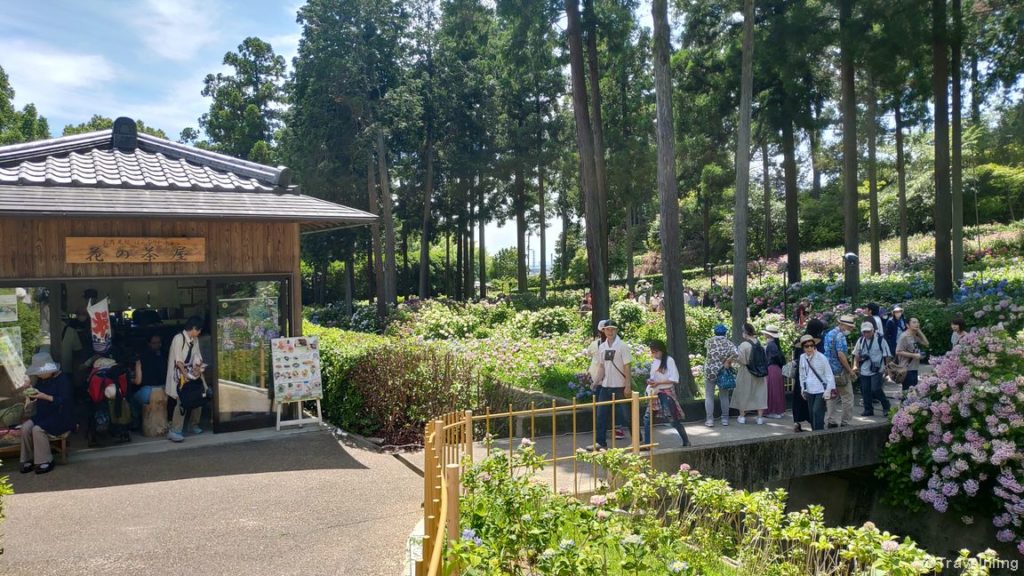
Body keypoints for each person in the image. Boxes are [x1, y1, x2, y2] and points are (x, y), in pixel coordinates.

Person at [19, 352, 73, 474]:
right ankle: (27, 459)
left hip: (61, 416)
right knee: (25, 427)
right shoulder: (41, 380)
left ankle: (45, 460)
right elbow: (37, 395)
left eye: (40, 371)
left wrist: (45, 396)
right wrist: (31, 394)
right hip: (43, 414)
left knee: (37, 429)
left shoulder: (62, 379)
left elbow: (65, 402)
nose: (38, 374)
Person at [590, 321, 632, 450]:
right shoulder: (602, 347)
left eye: (613, 329)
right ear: (603, 331)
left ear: (616, 330)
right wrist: (596, 381)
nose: (610, 332)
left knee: (626, 415)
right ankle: (601, 442)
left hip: (620, 385)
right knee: (600, 414)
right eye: (607, 329)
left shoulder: (622, 346)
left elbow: (627, 366)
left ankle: (638, 440)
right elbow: (602, 366)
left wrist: (627, 385)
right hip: (606, 385)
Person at [165, 316, 207, 442]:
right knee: (181, 401)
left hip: (191, 372)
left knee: (200, 395)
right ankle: (175, 430)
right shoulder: (178, 338)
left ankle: (193, 424)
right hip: (179, 375)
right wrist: (185, 375)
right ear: (193, 328)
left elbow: (197, 356)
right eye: (198, 330)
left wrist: (197, 368)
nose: (199, 333)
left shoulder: (195, 339)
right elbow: (178, 361)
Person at [640, 340, 689, 447]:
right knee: (647, 418)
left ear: (661, 351)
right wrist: (651, 381)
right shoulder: (655, 361)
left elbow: (674, 379)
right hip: (655, 391)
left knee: (672, 418)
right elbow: (654, 376)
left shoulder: (669, 360)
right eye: (652, 352)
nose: (654, 354)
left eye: (656, 352)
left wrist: (658, 382)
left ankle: (686, 440)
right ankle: (647, 443)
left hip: (666, 392)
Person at [823, 315, 858, 428]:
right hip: (840, 372)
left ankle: (831, 420)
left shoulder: (829, 334)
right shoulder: (840, 336)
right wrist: (850, 370)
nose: (850, 329)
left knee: (832, 396)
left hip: (828, 371)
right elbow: (841, 355)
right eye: (849, 327)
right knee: (847, 397)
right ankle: (845, 421)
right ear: (842, 325)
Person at [853, 321, 891, 417]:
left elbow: (887, 355)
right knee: (865, 390)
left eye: (868, 332)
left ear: (873, 330)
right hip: (864, 369)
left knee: (876, 389)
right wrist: (856, 366)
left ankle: (886, 406)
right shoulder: (861, 340)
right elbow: (856, 354)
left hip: (877, 369)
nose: (866, 334)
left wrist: (887, 368)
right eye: (864, 332)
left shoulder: (880, 340)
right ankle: (868, 409)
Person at [797, 334, 835, 431]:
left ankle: (819, 433)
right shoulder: (802, 357)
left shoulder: (821, 357)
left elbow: (829, 375)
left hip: (821, 389)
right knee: (811, 413)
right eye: (806, 346)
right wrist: (803, 388)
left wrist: (828, 390)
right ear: (803, 348)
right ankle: (814, 433)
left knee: (817, 411)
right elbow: (802, 374)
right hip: (809, 389)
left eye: (811, 345)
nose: (809, 348)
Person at [703, 324, 737, 427]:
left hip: (710, 371)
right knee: (724, 396)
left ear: (715, 332)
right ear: (725, 332)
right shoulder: (729, 343)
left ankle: (710, 420)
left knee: (709, 396)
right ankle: (725, 419)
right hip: (723, 371)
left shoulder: (709, 341)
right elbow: (736, 354)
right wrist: (728, 360)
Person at [733, 322, 767, 425]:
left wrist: (735, 358)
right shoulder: (758, 343)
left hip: (746, 372)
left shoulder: (744, 345)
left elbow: (742, 360)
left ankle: (742, 416)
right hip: (759, 373)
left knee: (743, 392)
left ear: (746, 332)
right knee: (759, 393)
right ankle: (760, 418)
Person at [131, 333, 167, 429]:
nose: (157, 345)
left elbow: (138, 381)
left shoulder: (141, 358)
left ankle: (136, 421)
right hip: (165, 391)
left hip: (149, 393)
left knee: (131, 399)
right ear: (149, 344)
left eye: (158, 342)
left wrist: (131, 380)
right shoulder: (165, 356)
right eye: (155, 343)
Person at [896, 318, 929, 394]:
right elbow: (898, 351)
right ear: (907, 325)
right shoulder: (904, 336)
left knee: (912, 393)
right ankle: (903, 406)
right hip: (907, 369)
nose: (917, 324)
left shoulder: (913, 336)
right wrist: (914, 355)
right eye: (914, 322)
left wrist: (919, 331)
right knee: (908, 394)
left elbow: (926, 343)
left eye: (917, 322)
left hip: (914, 368)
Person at [762, 325, 786, 419]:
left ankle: (773, 410)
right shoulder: (775, 344)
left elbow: (771, 358)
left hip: (771, 368)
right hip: (776, 369)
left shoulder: (771, 345)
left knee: (772, 390)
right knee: (776, 390)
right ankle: (778, 410)